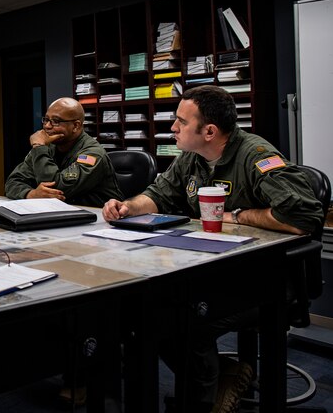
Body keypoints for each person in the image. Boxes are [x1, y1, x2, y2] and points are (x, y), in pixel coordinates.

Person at [102, 84, 324, 412]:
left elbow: (304, 215)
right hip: (216, 269)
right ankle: (218, 378)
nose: (173, 128)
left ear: (209, 131)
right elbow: (160, 194)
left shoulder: (256, 156)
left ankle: (205, 395)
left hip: (266, 277)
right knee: (151, 312)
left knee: (178, 319)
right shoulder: (192, 157)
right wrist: (128, 207)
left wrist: (240, 216)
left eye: (181, 121)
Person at [5, 97, 123, 206]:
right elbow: (12, 182)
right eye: (46, 120)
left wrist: (39, 147)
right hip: (61, 215)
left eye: (55, 121)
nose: (47, 126)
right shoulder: (46, 147)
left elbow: (57, 189)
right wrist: (30, 194)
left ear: (76, 126)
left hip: (97, 218)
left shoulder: (93, 153)